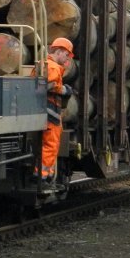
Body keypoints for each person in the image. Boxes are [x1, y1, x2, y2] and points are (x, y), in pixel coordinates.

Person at [37, 37, 74, 188]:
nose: (66, 59)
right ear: (59, 52)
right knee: (51, 144)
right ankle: (44, 176)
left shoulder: (45, 64)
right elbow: (49, 86)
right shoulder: (52, 67)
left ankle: (43, 174)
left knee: (48, 145)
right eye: (66, 55)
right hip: (49, 111)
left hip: (46, 109)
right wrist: (64, 89)